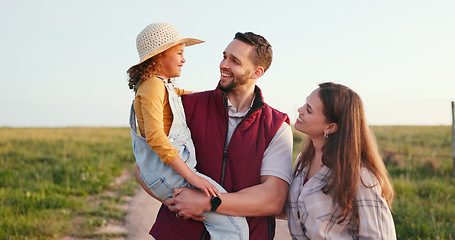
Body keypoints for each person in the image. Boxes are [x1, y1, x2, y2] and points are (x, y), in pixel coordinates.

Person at [134, 32, 294, 239]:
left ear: (257, 72)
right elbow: (144, 166)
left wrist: (206, 203)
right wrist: (176, 202)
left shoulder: (277, 126)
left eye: (234, 60)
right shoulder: (187, 106)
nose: (223, 64)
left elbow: (273, 198)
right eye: (224, 56)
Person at [128, 23, 249, 239]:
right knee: (235, 226)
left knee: (222, 223)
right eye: (179, 53)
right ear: (159, 56)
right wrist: (192, 177)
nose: (184, 59)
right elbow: (156, 138)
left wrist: (220, 96)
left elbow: (181, 95)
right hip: (171, 172)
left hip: (166, 173)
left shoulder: (159, 85)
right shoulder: (153, 87)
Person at [286, 82, 396, 239]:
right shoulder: (303, 161)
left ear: (330, 127)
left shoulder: (360, 175)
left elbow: (381, 236)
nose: (300, 110)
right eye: (305, 103)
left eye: (309, 110)